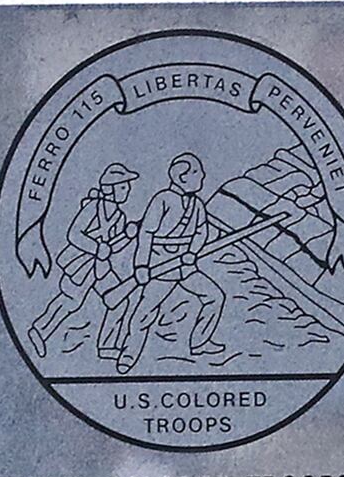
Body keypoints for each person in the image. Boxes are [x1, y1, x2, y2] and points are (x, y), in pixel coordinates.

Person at [117, 151, 226, 374]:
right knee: (144, 313)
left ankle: (199, 342)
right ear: (181, 177)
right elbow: (146, 234)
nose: (203, 175)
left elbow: (201, 231)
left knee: (215, 296)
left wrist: (192, 253)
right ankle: (128, 354)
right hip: (161, 266)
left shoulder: (197, 204)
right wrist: (141, 266)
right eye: (196, 172)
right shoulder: (163, 200)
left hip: (185, 266)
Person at [28, 161, 138, 359]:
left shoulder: (120, 216)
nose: (127, 190)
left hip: (101, 268)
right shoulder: (93, 208)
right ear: (110, 189)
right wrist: (97, 248)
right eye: (123, 186)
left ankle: (106, 346)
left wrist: (128, 237)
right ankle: (40, 331)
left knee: (119, 301)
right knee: (70, 302)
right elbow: (74, 234)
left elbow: (113, 248)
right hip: (81, 265)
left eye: (127, 186)